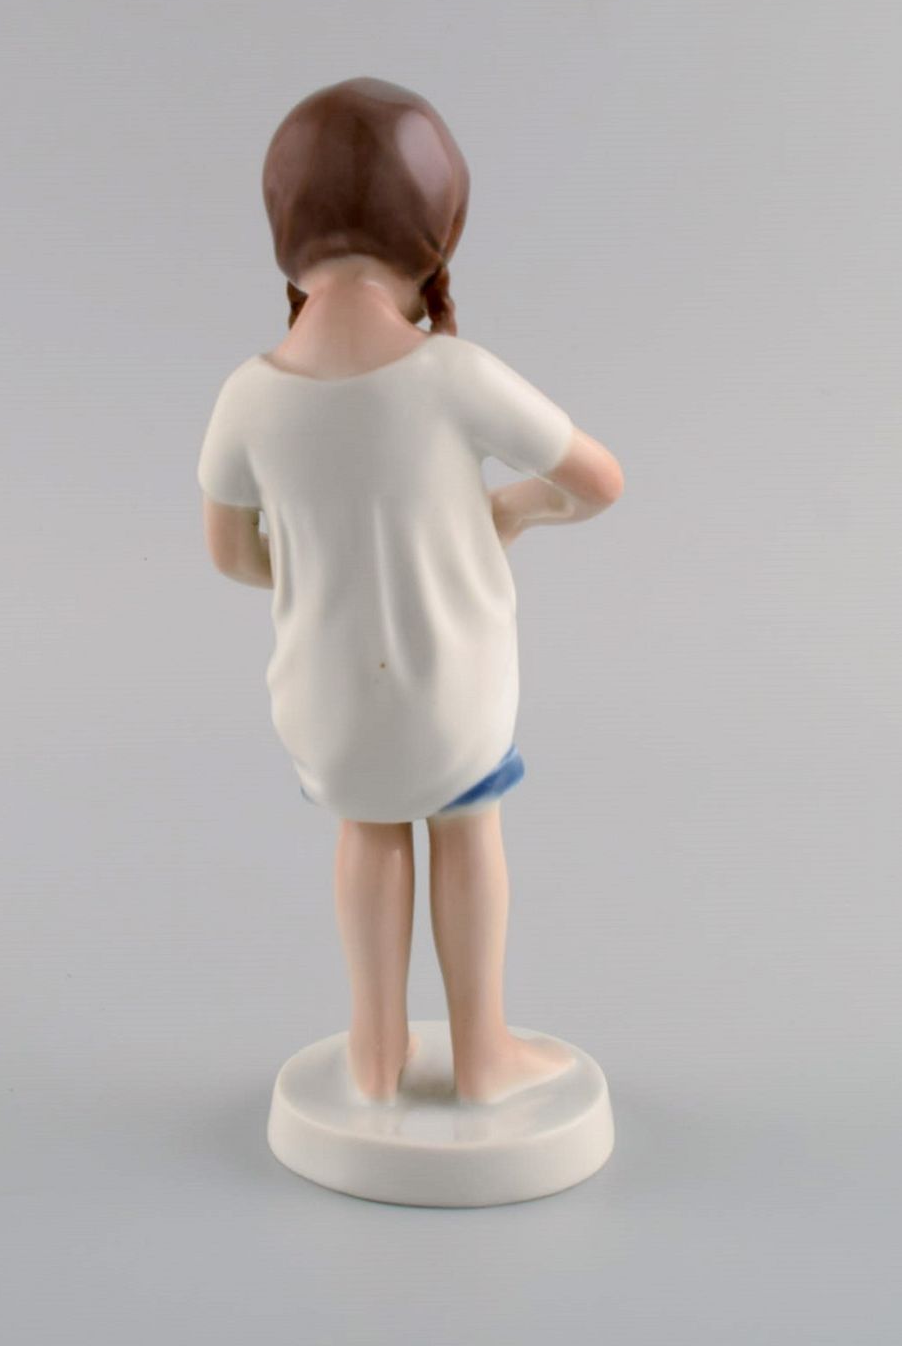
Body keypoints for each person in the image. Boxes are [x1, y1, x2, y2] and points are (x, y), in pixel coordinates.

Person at [198, 78, 624, 1105]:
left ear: (284, 234)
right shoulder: (455, 375)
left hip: (327, 707)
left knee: (368, 829)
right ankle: (483, 1055)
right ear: (436, 233)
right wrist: (508, 511)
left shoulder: (247, 396)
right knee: (465, 827)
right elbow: (599, 482)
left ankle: (373, 1056)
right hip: (452, 697)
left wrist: (322, 566)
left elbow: (231, 556)